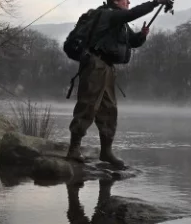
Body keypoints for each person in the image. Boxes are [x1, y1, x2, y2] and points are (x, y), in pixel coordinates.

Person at [66, 0, 170, 168]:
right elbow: (131, 14)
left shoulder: (120, 22)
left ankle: (106, 152)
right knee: (88, 106)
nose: (128, 2)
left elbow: (132, 42)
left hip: (107, 67)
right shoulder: (108, 14)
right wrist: (155, 3)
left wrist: (141, 36)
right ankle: (73, 149)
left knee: (109, 110)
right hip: (95, 64)